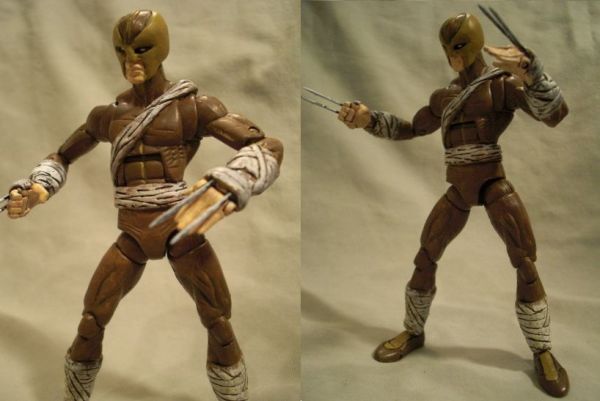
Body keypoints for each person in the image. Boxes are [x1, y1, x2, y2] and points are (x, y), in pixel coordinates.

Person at [5, 10, 282, 401]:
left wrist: (235, 179)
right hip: (133, 232)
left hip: (181, 229)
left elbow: (266, 146)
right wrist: (37, 189)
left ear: (162, 49)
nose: (130, 59)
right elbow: (63, 156)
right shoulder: (108, 117)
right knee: (91, 321)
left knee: (218, 323)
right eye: (122, 50)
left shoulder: (192, 108)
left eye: (142, 48)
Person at [337, 12, 568, 398]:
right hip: (458, 189)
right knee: (425, 256)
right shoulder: (444, 98)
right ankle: (413, 331)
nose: (453, 56)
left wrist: (533, 74)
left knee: (525, 261)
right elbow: (411, 128)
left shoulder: (502, 86)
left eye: (459, 46)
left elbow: (555, 115)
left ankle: (542, 350)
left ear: (474, 46)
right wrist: (368, 120)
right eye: (448, 48)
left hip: (493, 184)